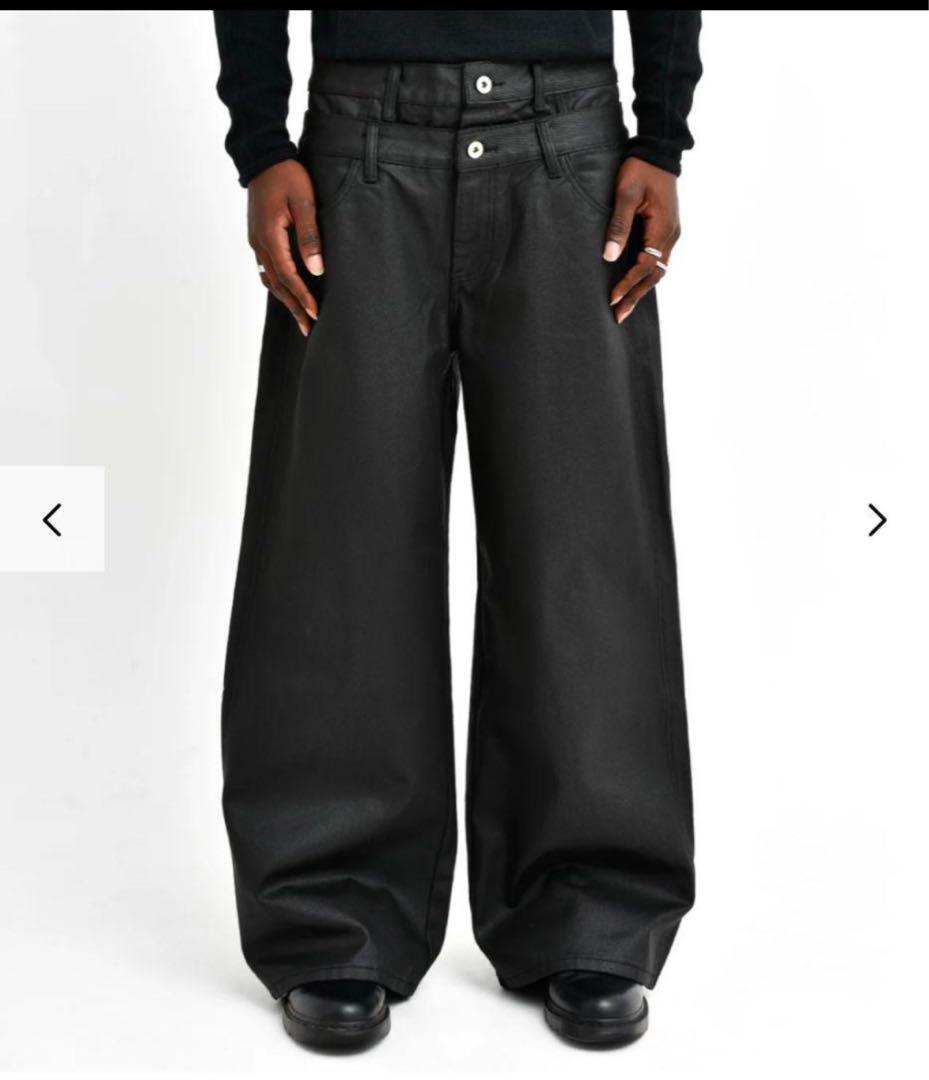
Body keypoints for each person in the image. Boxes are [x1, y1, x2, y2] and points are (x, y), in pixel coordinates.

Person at [213, 10, 701, 1051]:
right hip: (357, 144)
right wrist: (260, 139)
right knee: (337, 546)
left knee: (582, 546)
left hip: (568, 144)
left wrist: (662, 136)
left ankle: (591, 904)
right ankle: (331, 909)